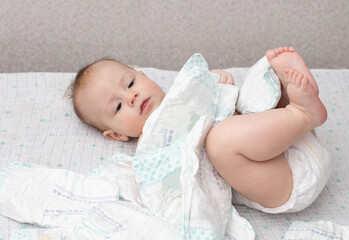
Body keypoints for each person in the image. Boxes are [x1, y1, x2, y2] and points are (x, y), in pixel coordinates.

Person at [69, 47, 331, 213]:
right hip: (283, 180)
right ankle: (302, 113)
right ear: (116, 134)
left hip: (288, 139)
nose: (132, 97)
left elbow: (230, 102)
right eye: (117, 107)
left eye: (130, 82)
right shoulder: (149, 150)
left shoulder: (187, 90)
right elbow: (169, 190)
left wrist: (212, 83)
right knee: (218, 141)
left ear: (144, 75)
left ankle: (286, 94)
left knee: (253, 93)